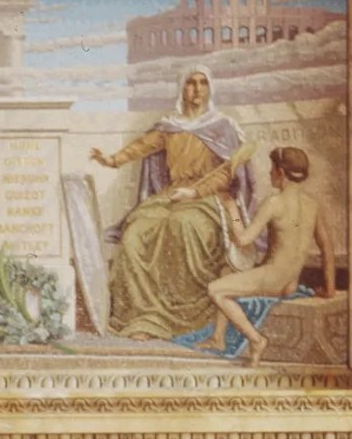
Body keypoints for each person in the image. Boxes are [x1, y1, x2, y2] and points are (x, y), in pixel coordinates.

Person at [91, 68, 251, 342]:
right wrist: (112, 159)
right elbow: (142, 146)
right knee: (134, 234)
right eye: (191, 83)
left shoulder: (223, 127)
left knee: (183, 226)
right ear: (182, 88)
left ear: (210, 88)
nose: (197, 89)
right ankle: (143, 317)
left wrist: (195, 191)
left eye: (202, 83)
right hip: (171, 194)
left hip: (208, 198)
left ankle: (180, 319)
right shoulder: (170, 126)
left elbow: (228, 172)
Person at [203, 142, 331, 361]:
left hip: (272, 280)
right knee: (226, 272)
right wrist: (329, 290)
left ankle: (256, 340)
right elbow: (327, 248)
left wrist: (232, 209)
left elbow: (243, 239)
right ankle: (218, 338)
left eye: (272, 169)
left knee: (215, 290)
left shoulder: (274, 203)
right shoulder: (313, 205)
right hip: (290, 282)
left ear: (280, 172)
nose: (270, 173)